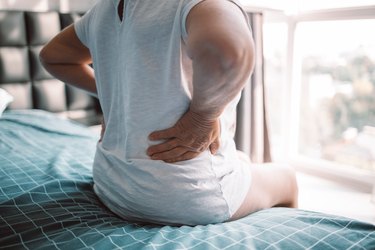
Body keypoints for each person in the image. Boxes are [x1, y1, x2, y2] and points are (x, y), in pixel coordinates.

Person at [40, 0, 298, 226]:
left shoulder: (102, 11)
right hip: (186, 195)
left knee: (242, 158)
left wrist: (118, 94)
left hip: (112, 187)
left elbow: (52, 56)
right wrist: (202, 116)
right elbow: (230, 54)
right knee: (287, 176)